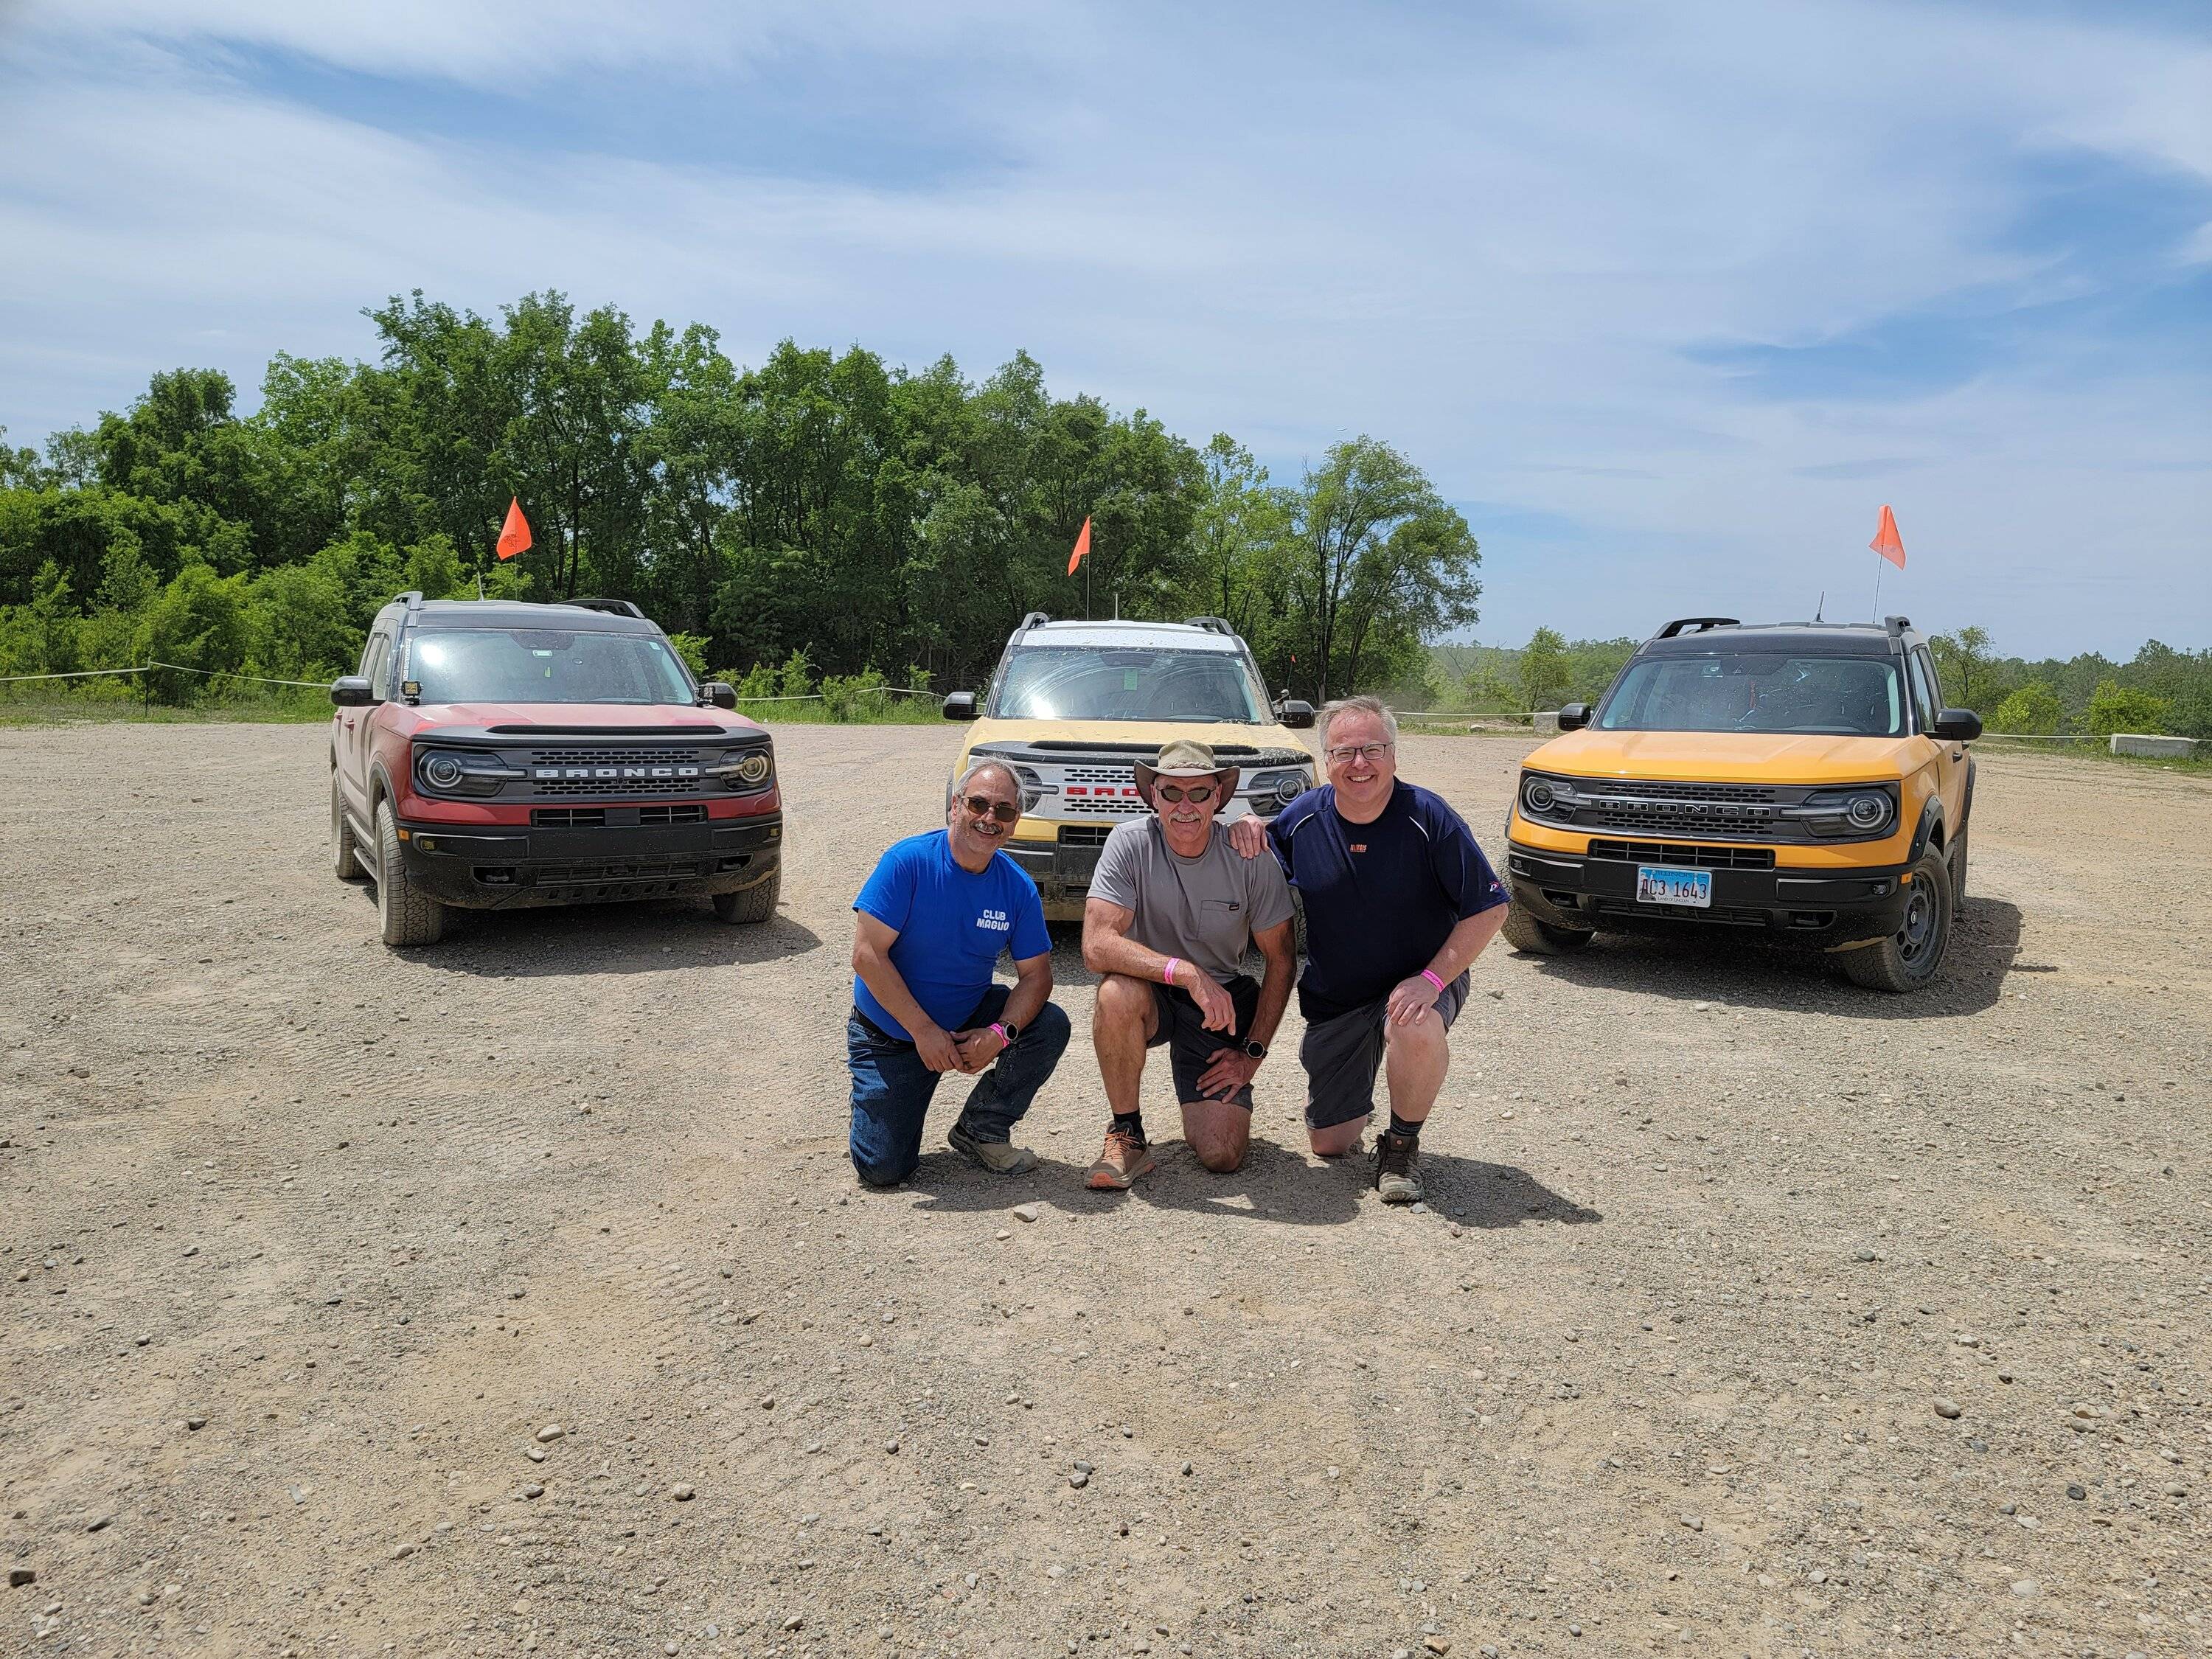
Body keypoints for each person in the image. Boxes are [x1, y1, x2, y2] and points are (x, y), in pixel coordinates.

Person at [1232, 695, 1508, 1203]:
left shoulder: (1430, 817)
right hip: (1339, 994)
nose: (1359, 763)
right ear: (1327, 761)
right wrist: (1249, 825)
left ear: (1394, 756)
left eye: (1372, 749)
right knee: (1330, 1144)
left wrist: (1432, 981)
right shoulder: (1304, 818)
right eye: (1344, 752)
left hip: (1419, 980)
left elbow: (1490, 908)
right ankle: (1362, 1080)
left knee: (1413, 1024)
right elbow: (1262, 849)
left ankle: (1400, 1146)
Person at [1081, 740, 1298, 1189]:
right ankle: (1127, 1132)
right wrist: (1185, 973)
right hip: (1153, 990)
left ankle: (1212, 1098)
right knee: (1116, 993)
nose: (1185, 806)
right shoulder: (1128, 843)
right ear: (1153, 795)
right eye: (1171, 792)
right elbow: (1096, 946)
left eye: (1198, 792)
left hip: (1220, 1005)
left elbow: (1281, 959)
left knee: (1222, 1154)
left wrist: (1252, 1054)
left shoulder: (1249, 855)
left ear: (1217, 797)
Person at [847, 759, 1073, 1187]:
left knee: (1049, 1024)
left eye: (1004, 810)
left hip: (965, 1015)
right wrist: (923, 1031)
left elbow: (1037, 976)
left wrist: (999, 1034)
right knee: (883, 1170)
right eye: (979, 804)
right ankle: (881, 1094)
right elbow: (866, 955)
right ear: (955, 806)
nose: (990, 818)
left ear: (1015, 822)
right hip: (892, 1033)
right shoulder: (907, 862)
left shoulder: (1017, 887)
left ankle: (982, 1128)